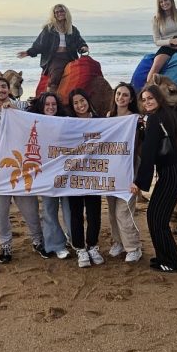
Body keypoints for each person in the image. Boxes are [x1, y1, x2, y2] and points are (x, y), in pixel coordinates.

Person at [0, 75, 44, 264]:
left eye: (3, 87)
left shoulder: (23, 107)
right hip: (1, 171)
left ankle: (38, 241)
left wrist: (15, 110)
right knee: (0, 212)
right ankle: (6, 246)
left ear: (8, 89)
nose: (0, 90)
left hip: (23, 168)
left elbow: (38, 124)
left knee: (31, 209)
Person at [132, 84, 177, 273]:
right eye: (144, 99)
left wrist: (139, 183)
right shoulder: (166, 115)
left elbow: (148, 153)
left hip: (171, 174)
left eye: (150, 98)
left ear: (159, 99)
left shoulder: (155, 119)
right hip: (174, 172)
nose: (147, 102)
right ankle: (164, 257)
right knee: (156, 217)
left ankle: (172, 262)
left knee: (157, 219)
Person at [105, 83, 144, 263]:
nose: (121, 98)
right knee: (112, 210)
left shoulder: (135, 119)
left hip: (129, 167)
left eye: (125, 95)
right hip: (111, 168)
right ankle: (117, 242)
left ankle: (133, 247)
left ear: (131, 99)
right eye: (118, 94)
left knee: (124, 209)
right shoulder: (109, 116)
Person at [65, 89, 104, 268]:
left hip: (94, 173)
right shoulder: (69, 123)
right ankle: (80, 248)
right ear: (72, 107)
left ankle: (93, 246)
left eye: (82, 100)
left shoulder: (100, 121)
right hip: (74, 175)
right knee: (76, 212)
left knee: (94, 211)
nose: (80, 105)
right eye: (76, 103)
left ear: (88, 100)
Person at [31, 91, 70, 259]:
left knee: (69, 208)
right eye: (47, 104)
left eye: (53, 104)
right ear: (42, 106)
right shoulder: (34, 122)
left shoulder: (66, 122)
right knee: (48, 209)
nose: (51, 107)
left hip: (66, 172)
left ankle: (74, 240)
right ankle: (56, 244)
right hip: (46, 174)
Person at [17, 4, 88, 92]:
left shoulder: (72, 29)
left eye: (61, 11)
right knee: (56, 74)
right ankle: (50, 95)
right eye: (56, 12)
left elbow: (79, 41)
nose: (59, 13)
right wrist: (29, 52)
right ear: (54, 15)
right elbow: (40, 44)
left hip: (70, 57)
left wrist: (83, 47)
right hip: (54, 58)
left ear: (66, 13)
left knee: (84, 71)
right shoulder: (49, 29)